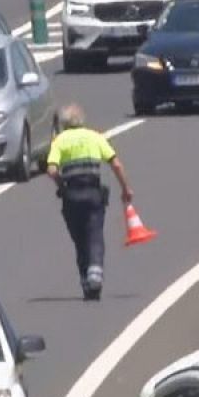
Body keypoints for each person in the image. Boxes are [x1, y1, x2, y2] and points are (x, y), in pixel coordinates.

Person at [46, 103, 136, 301]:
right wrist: (125, 188)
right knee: (94, 234)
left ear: (64, 123)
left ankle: (86, 279)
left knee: (79, 240)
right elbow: (116, 163)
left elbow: (51, 169)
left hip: (71, 195)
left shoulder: (60, 141)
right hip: (93, 193)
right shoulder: (95, 137)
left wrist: (61, 185)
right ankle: (95, 274)